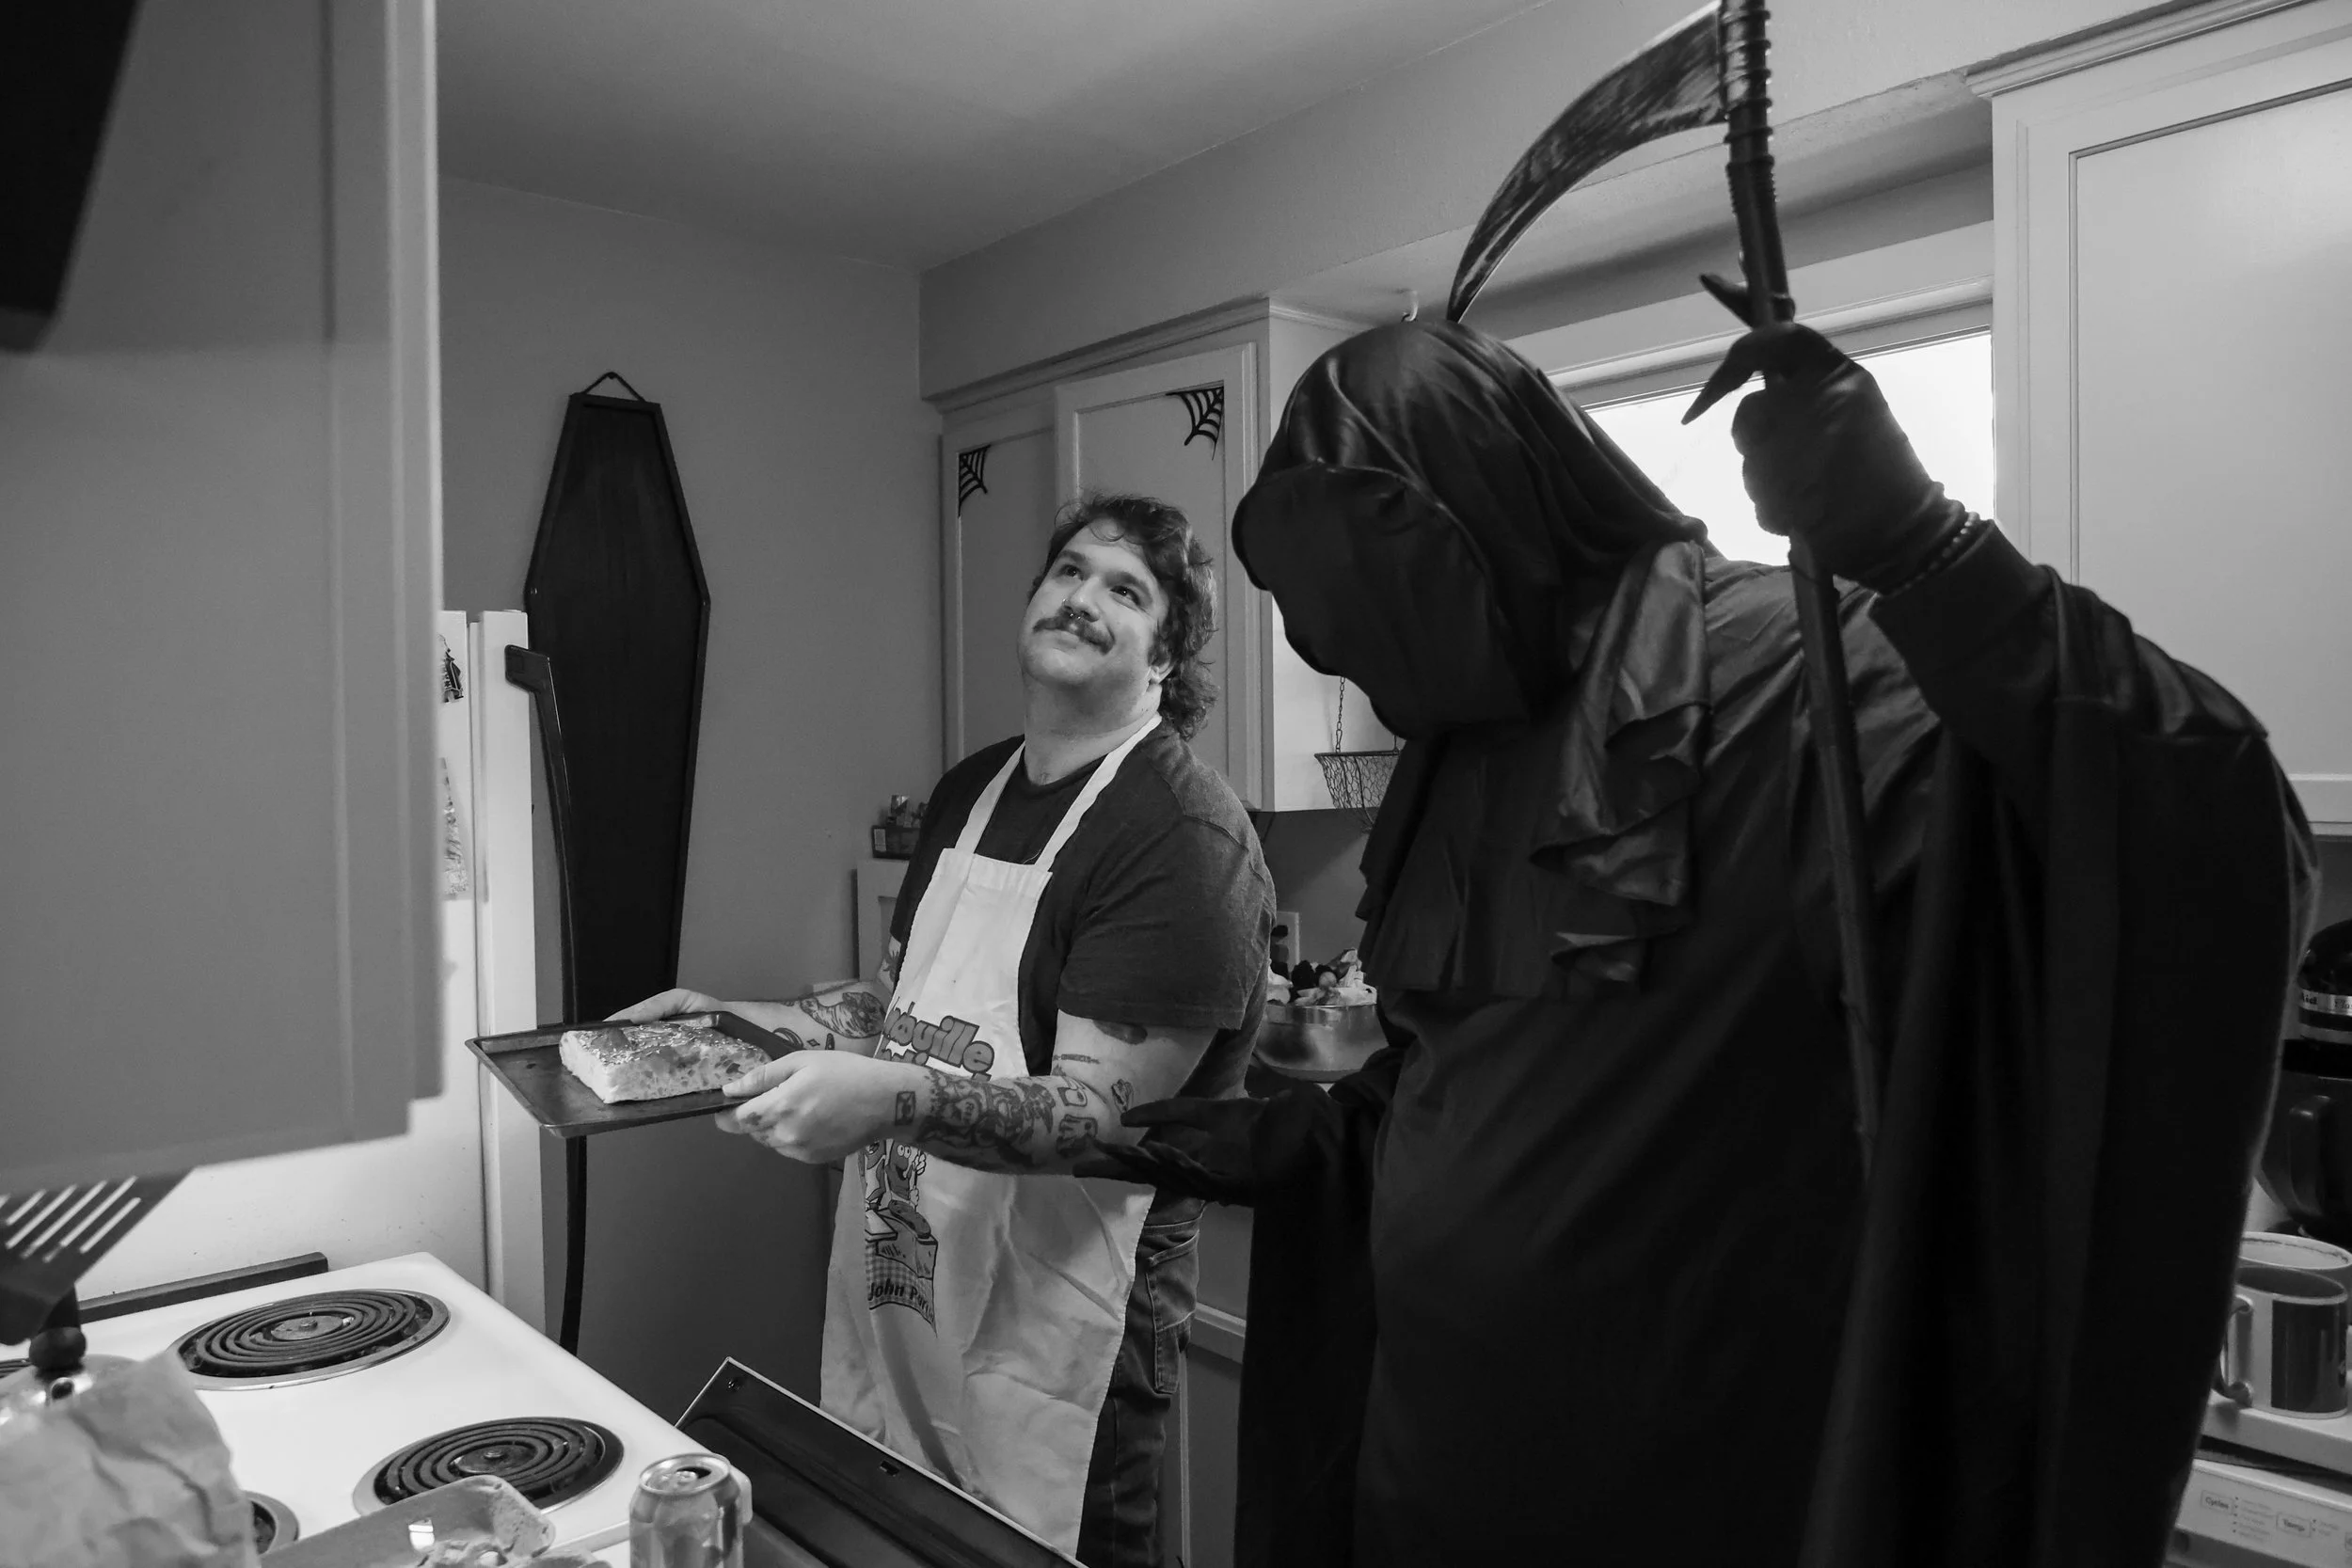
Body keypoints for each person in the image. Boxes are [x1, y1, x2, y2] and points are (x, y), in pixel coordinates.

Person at [1084, 319, 2315, 1568]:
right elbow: (1476, 1062)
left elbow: (2196, 814)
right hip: (1428, 1481)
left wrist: (1933, 549)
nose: (1373, 681)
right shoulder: (1464, 737)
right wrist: (1308, 1139)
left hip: (1697, 1488)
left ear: (1496, 528)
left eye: (1388, 615)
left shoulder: (1817, 682)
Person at [617, 491, 1272, 1567]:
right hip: (912, 1271)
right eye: (1067, 570)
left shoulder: (1182, 834)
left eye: (1126, 589)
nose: (1081, 597)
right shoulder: (973, 786)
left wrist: (885, 1098)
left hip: (1067, 1312)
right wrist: (739, 1020)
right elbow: (899, 1006)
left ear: (1167, 656)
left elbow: (1095, 1116)